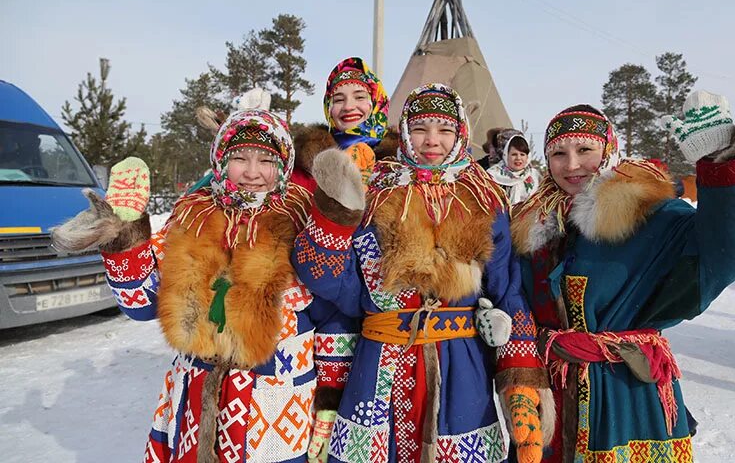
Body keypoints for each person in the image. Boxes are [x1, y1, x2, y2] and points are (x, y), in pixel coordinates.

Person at [51, 92, 358, 462]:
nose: (252, 172)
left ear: (283, 166)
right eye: (239, 158)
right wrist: (124, 239)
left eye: (266, 160)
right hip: (197, 398)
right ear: (220, 161)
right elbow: (142, 305)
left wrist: (328, 403)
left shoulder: (302, 223)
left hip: (277, 407)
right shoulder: (191, 221)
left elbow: (332, 317)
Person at [293, 84, 552, 463]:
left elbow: (507, 291)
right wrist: (334, 214)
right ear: (405, 132)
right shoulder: (375, 193)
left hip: (461, 366)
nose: (432, 140)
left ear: (460, 133)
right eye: (420, 129)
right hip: (379, 363)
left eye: (445, 130)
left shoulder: (484, 199)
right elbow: (341, 287)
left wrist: (522, 386)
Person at [512, 88, 735, 461]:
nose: (571, 165)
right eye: (558, 153)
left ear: (608, 150)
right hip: (548, 393)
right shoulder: (532, 224)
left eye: (585, 150)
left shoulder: (650, 214)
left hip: (625, 392)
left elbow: (733, 251)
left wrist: (723, 166)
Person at [322, 57, 389, 185]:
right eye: (339, 100)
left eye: (359, 97)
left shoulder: (397, 162)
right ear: (328, 108)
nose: (348, 107)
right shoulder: (307, 165)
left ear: (376, 103)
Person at [487, 129, 541, 204]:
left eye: (522, 154)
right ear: (506, 155)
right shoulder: (492, 175)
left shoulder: (535, 176)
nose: (518, 158)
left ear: (527, 157)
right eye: (514, 154)